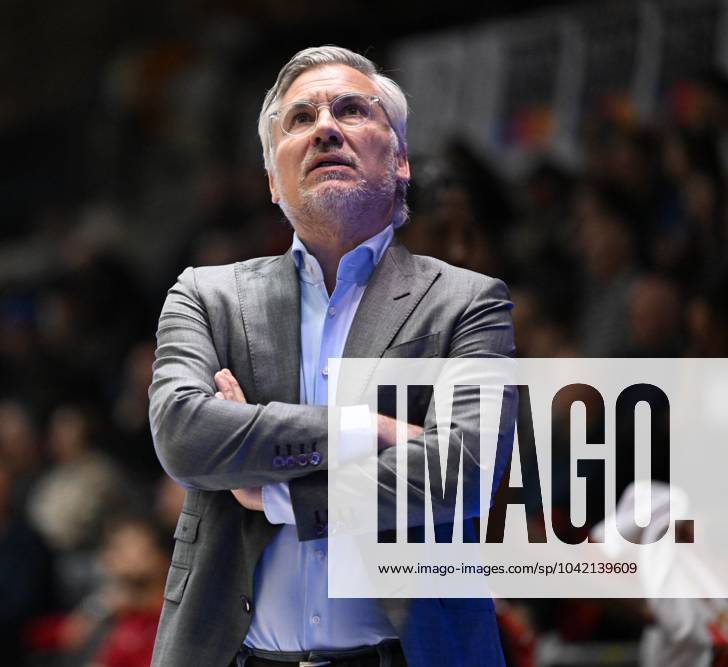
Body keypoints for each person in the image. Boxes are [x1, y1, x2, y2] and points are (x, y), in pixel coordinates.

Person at [148, 46, 516, 667]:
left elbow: (469, 469)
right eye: (299, 119)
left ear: (399, 159)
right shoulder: (204, 295)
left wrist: (273, 494)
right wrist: (361, 429)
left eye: (350, 110)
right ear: (272, 179)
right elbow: (184, 436)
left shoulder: (466, 302)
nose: (325, 127)